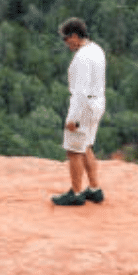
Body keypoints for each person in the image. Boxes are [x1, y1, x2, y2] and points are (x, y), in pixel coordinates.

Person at [53, 17, 106, 206]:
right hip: (97, 102)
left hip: (84, 106)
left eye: (66, 39)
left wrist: (73, 119)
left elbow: (80, 92)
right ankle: (94, 189)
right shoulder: (96, 49)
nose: (66, 43)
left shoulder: (82, 57)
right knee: (86, 146)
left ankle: (76, 193)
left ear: (75, 36)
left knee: (73, 150)